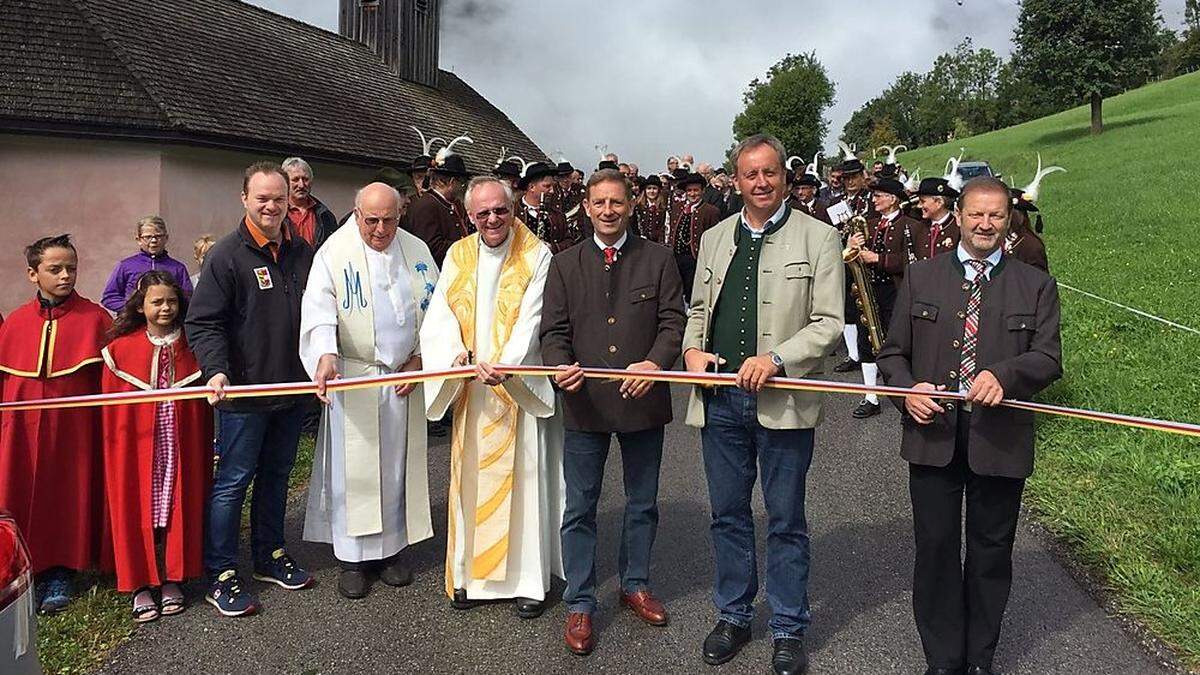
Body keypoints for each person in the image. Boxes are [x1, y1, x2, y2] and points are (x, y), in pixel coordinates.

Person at [878, 177, 1062, 675]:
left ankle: (980, 658)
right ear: (959, 216)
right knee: (935, 550)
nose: (985, 224)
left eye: (996, 216)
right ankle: (943, 659)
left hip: (998, 440)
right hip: (932, 438)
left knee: (990, 552)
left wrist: (1005, 375)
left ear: (1009, 221)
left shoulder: (1036, 284)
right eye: (976, 214)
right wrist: (906, 390)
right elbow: (893, 355)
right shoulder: (922, 278)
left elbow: (1047, 359)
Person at [682, 135, 844, 675]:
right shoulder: (713, 237)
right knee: (727, 514)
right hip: (721, 399)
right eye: (750, 174)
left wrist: (775, 358)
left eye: (769, 172)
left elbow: (828, 324)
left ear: (783, 176)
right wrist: (689, 349)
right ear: (736, 177)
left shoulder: (819, 238)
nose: (760, 182)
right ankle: (733, 614)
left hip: (783, 399)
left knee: (785, 518)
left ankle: (788, 626)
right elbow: (698, 306)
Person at [540, 169, 686, 655]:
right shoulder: (564, 264)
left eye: (616, 203)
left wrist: (656, 361)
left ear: (630, 206)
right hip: (584, 403)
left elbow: (673, 322)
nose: (608, 211)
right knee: (579, 506)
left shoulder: (659, 258)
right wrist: (560, 366)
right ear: (586, 206)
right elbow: (553, 331)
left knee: (642, 502)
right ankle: (581, 601)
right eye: (599, 203)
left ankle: (635, 583)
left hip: (643, 399)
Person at [419, 176, 564, 619]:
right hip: (470, 387)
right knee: (471, 482)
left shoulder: (537, 254)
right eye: (482, 213)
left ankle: (528, 581)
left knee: (526, 481)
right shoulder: (457, 254)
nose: (492, 219)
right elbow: (439, 314)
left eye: (500, 209)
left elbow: (535, 317)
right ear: (469, 216)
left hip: (516, 389)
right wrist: (456, 357)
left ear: (512, 206)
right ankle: (469, 578)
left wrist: (507, 364)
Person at [185, 161, 316, 617]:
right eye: (262, 198)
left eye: (278, 198)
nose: (271, 206)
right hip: (242, 394)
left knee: (277, 476)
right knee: (232, 483)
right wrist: (215, 370)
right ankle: (220, 573)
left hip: (291, 390)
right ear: (245, 199)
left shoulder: (302, 253)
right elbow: (203, 322)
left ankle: (269, 555)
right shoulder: (226, 255)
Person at [299, 183, 438, 599]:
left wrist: (419, 362)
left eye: (389, 220)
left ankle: (392, 551)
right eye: (371, 220)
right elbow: (319, 311)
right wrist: (325, 356)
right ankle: (354, 558)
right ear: (356, 214)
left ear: (400, 216)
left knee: (397, 467)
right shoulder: (333, 253)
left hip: (402, 378)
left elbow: (439, 312)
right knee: (355, 471)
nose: (380, 229)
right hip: (356, 377)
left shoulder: (416, 251)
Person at [0, 234, 110, 614]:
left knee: (68, 494)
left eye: (72, 268)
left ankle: (61, 569)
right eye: (55, 269)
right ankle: (17, 567)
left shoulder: (95, 319)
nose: (66, 276)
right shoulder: (14, 323)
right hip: (21, 432)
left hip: (75, 432)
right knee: (18, 491)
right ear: (33, 274)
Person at [101, 271, 211, 622]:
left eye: (171, 301)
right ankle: (140, 583)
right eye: (157, 301)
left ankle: (174, 577)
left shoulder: (193, 344)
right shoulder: (121, 350)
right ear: (141, 305)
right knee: (139, 504)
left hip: (179, 442)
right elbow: (111, 408)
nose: (165, 308)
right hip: (139, 446)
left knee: (177, 502)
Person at [846, 177, 924, 419]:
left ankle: (907, 399)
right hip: (870, 290)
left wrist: (878, 260)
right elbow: (855, 253)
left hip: (897, 291)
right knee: (867, 342)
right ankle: (871, 397)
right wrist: (852, 244)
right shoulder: (870, 223)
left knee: (900, 344)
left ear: (893, 199)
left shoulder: (912, 225)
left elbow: (915, 263)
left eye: (879, 196)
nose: (874, 200)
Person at [405, 138, 474, 267]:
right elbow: (431, 246)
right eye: (462, 183)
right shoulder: (426, 205)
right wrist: (468, 246)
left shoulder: (452, 203)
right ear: (452, 182)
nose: (462, 187)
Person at [101, 216, 194, 311]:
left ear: (166, 238)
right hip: (133, 322)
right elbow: (109, 297)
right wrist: (134, 308)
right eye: (148, 237)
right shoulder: (126, 266)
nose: (154, 241)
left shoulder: (178, 268)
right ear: (139, 240)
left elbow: (188, 299)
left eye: (158, 236)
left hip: (167, 321)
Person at [666, 173, 722, 303]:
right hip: (676, 257)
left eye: (696, 190)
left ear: (702, 191)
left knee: (692, 292)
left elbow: (713, 238)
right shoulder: (678, 208)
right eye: (689, 190)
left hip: (695, 259)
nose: (692, 194)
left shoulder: (710, 211)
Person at [516, 162, 575, 253]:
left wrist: (552, 247)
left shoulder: (557, 215)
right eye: (547, 186)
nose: (552, 191)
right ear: (532, 187)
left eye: (553, 186)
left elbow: (570, 242)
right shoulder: (513, 211)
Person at [282, 157, 340, 249]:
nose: (301, 185)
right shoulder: (276, 213)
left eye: (305, 179)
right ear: (285, 182)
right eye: (295, 179)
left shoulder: (325, 216)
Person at [915, 177, 960, 259]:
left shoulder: (958, 228)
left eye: (923, 201)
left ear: (939, 203)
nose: (919, 206)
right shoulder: (918, 228)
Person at [633, 174, 667, 244]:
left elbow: (663, 228)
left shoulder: (663, 208)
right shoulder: (638, 207)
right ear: (645, 190)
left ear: (659, 190)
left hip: (657, 244)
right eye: (649, 188)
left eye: (654, 188)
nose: (651, 191)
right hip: (640, 243)